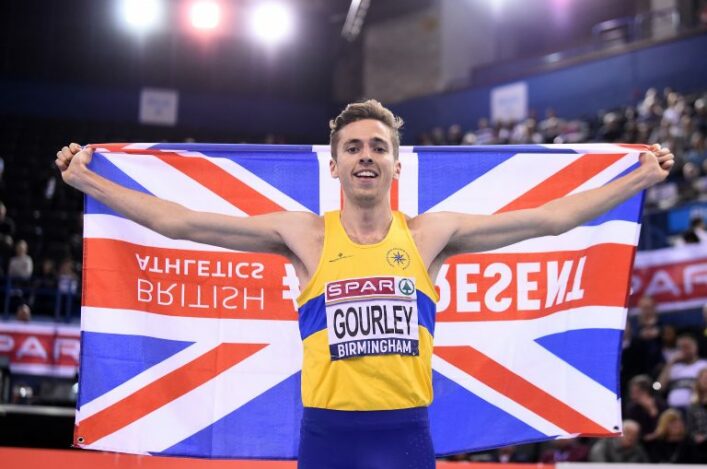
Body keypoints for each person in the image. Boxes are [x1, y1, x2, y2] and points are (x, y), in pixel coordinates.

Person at [55, 100, 674, 468]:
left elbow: (550, 219)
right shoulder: (304, 236)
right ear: (335, 165)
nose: (366, 155)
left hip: (406, 435)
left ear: (396, 164)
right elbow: (182, 222)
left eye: (378, 146)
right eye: (353, 147)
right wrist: (90, 182)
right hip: (328, 435)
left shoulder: (431, 235)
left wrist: (636, 179)